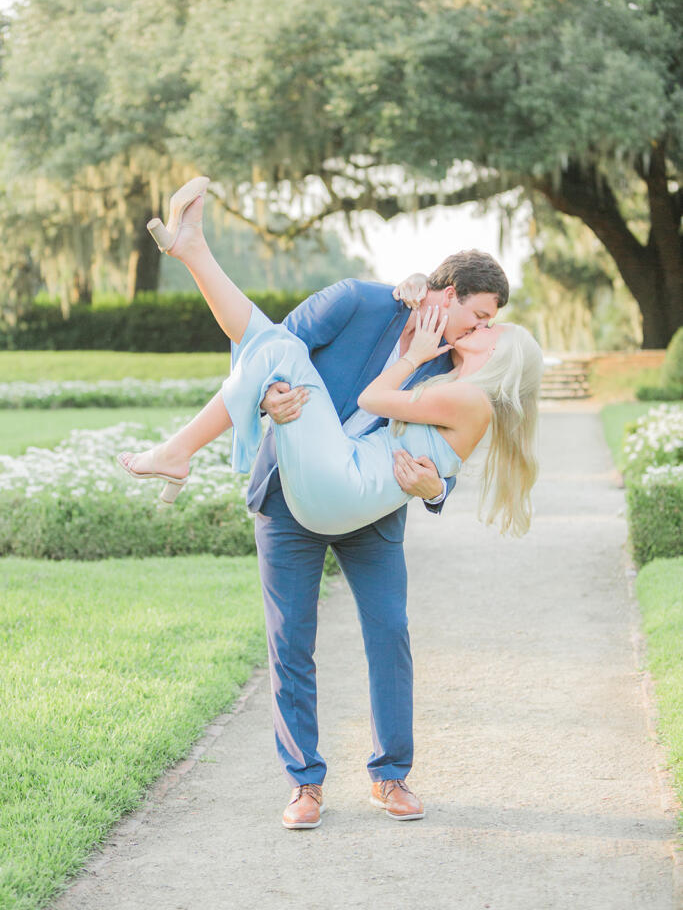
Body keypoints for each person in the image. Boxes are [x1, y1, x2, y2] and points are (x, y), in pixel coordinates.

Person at [118, 178, 543, 828]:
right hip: (289, 494)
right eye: (477, 315)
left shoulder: (452, 366)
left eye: (487, 324)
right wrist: (264, 405)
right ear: (444, 293)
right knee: (290, 640)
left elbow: (443, 451)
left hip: (372, 510)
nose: (480, 329)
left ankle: (390, 776)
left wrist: (436, 490)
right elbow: (261, 354)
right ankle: (304, 784)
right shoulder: (357, 302)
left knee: (390, 633)